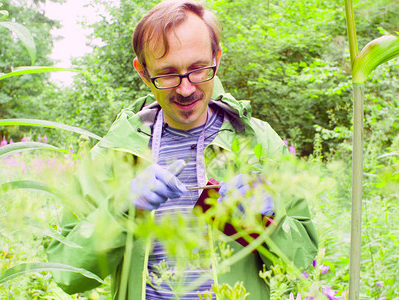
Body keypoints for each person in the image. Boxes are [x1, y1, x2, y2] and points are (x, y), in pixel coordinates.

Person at [46, 0, 318, 299]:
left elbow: (304, 268)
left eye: (199, 69)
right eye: (167, 74)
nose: (186, 89)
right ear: (143, 72)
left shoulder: (259, 143)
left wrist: (271, 217)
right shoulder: (115, 152)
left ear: (217, 57)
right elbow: (66, 275)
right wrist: (119, 209)